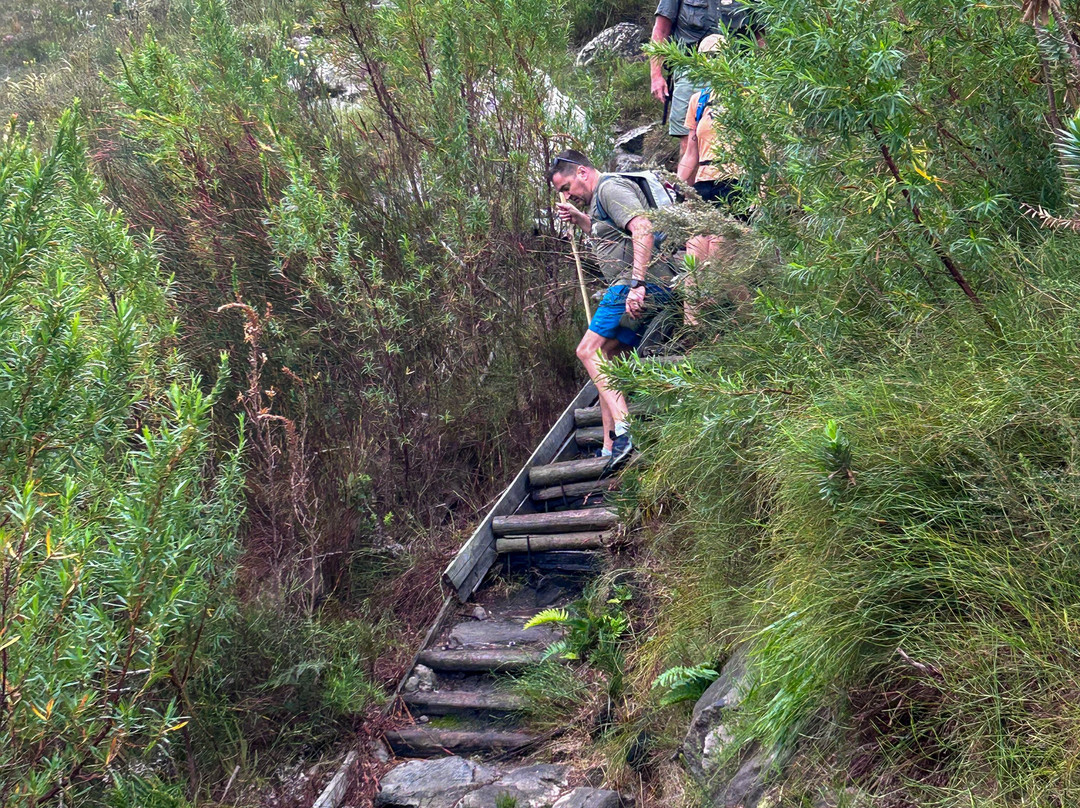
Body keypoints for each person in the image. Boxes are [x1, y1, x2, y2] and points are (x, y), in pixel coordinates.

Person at [546, 149, 676, 466]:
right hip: (652, 286)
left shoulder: (609, 187)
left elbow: (642, 226)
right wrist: (583, 222)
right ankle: (610, 446)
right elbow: (613, 234)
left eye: (566, 188)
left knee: (587, 351)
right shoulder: (599, 200)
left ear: (582, 172)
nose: (567, 196)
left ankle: (626, 429)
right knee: (609, 357)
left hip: (633, 285)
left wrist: (636, 283)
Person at [649, 0, 763, 159]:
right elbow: (661, 30)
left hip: (736, 71)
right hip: (689, 67)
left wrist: (762, 76)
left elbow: (760, 35)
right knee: (689, 140)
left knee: (739, 138)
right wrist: (656, 75)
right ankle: (689, 183)